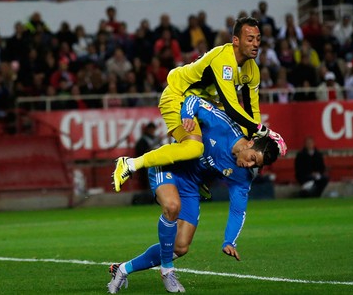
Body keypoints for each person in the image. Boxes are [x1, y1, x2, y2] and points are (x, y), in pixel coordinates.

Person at [107, 95, 283, 293]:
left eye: (255, 164)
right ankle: (167, 271)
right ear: (250, 143)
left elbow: (237, 210)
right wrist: (187, 115)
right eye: (252, 158)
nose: (249, 165)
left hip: (191, 185)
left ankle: (122, 269)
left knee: (180, 247)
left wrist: (229, 241)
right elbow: (194, 100)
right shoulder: (224, 125)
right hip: (169, 166)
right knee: (172, 207)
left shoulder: (243, 175)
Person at [112, 17, 286, 192]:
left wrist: (259, 141)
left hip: (206, 101)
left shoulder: (253, 70)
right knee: (194, 147)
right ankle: (130, 164)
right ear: (235, 41)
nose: (255, 44)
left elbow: (251, 110)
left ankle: (197, 174)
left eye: (258, 39)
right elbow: (232, 107)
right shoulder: (223, 60)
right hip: (178, 95)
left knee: (237, 139)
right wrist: (265, 131)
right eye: (250, 39)